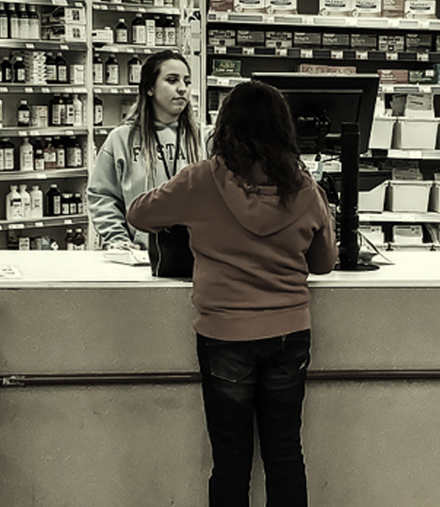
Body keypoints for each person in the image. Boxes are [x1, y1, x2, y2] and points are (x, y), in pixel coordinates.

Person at [126, 80, 337, 507]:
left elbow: (139, 214)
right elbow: (324, 263)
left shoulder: (201, 180)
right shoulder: (304, 188)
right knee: (285, 452)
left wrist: (189, 221)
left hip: (224, 334)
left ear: (224, 128)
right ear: (284, 129)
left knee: (230, 459)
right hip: (289, 332)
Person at [87, 50, 206, 250]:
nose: (182, 89)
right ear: (150, 88)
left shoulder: (204, 138)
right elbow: (102, 196)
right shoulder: (122, 138)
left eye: (187, 82)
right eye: (172, 80)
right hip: (140, 255)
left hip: (197, 256)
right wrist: (117, 239)